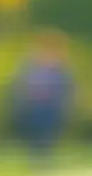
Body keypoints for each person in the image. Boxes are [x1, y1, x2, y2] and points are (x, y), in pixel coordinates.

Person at [9, 31, 74, 168]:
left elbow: (66, 87)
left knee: (47, 134)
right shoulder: (30, 65)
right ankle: (35, 159)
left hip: (50, 106)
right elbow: (21, 85)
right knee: (34, 134)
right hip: (34, 105)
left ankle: (44, 160)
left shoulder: (59, 68)